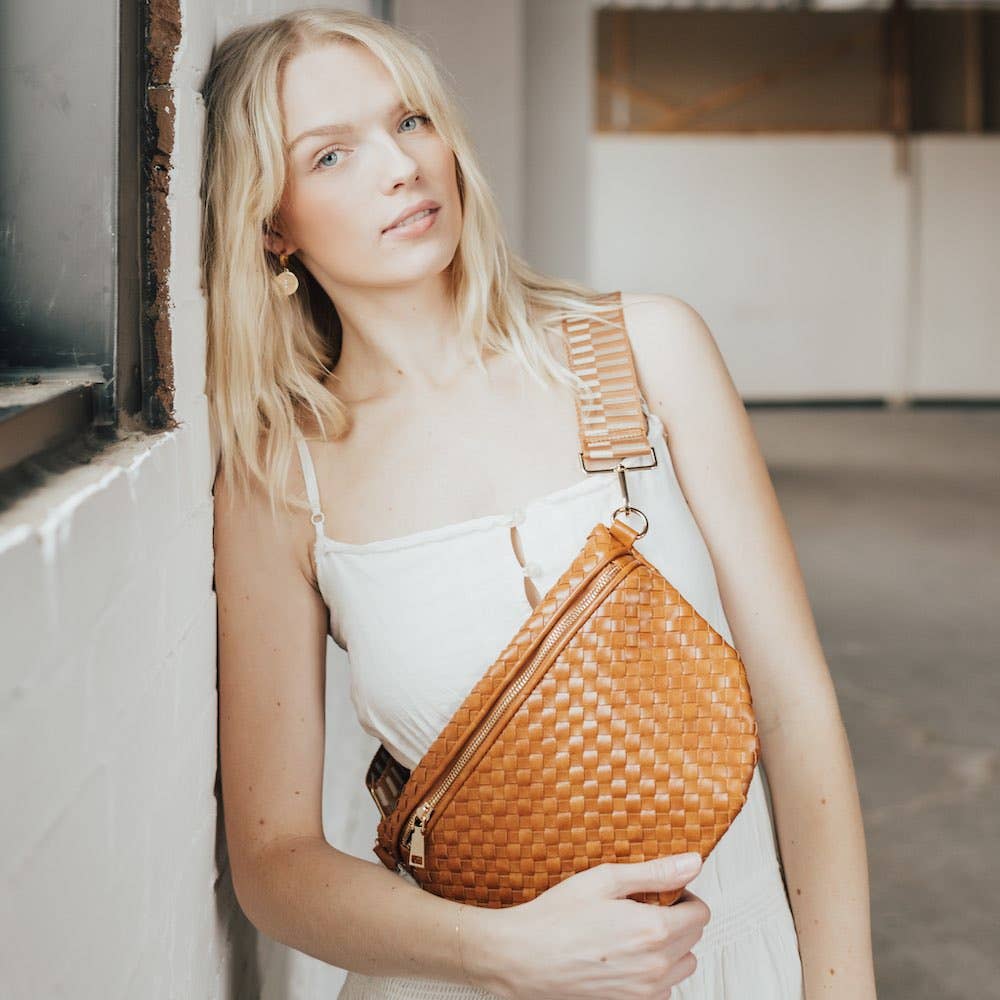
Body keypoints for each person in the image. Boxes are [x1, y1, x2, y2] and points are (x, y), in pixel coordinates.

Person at [203, 8, 877, 999]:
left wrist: (841, 983)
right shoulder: (283, 480)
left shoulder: (642, 352)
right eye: (333, 155)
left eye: (411, 122)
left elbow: (794, 706)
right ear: (273, 224)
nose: (400, 166)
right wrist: (501, 952)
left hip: (724, 963)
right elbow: (273, 862)